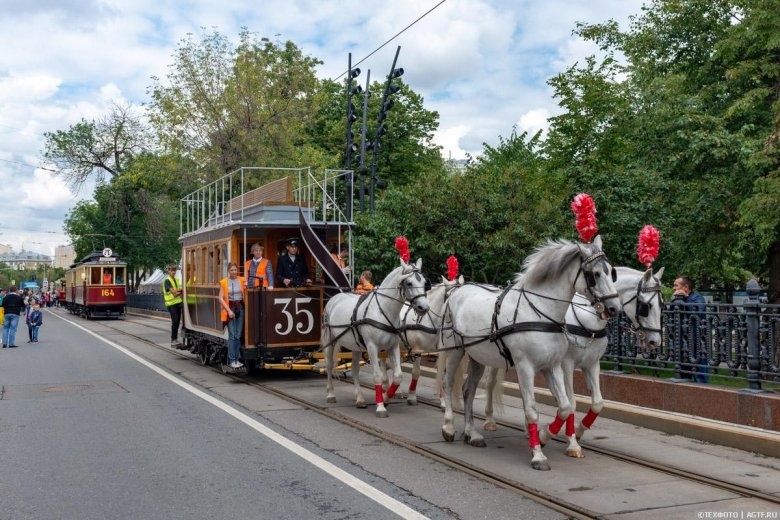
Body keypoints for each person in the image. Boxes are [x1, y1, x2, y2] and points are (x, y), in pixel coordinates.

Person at [672, 275, 709, 383]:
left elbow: (697, 312)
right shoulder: (676, 299)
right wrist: (674, 300)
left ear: (686, 287)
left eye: (676, 285)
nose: (674, 288)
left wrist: (686, 297)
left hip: (697, 341)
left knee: (700, 374)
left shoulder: (698, 298)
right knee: (683, 373)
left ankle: (702, 389)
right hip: (682, 341)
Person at [219, 262, 246, 369]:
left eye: (235, 270)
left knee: (238, 335)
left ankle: (237, 359)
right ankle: (231, 360)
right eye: (232, 270)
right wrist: (229, 311)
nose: (234, 272)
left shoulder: (242, 280)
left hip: (240, 308)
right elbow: (220, 298)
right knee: (232, 335)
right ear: (228, 271)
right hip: (229, 308)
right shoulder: (224, 282)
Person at [162, 264, 184, 348]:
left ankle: (175, 340)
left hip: (178, 303)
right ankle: (173, 340)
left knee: (178, 321)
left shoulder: (177, 280)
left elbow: (178, 292)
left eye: (174, 270)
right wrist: (180, 290)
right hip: (171, 304)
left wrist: (178, 292)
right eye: (172, 270)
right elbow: (174, 293)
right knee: (175, 320)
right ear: (168, 271)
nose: (173, 272)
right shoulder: (167, 281)